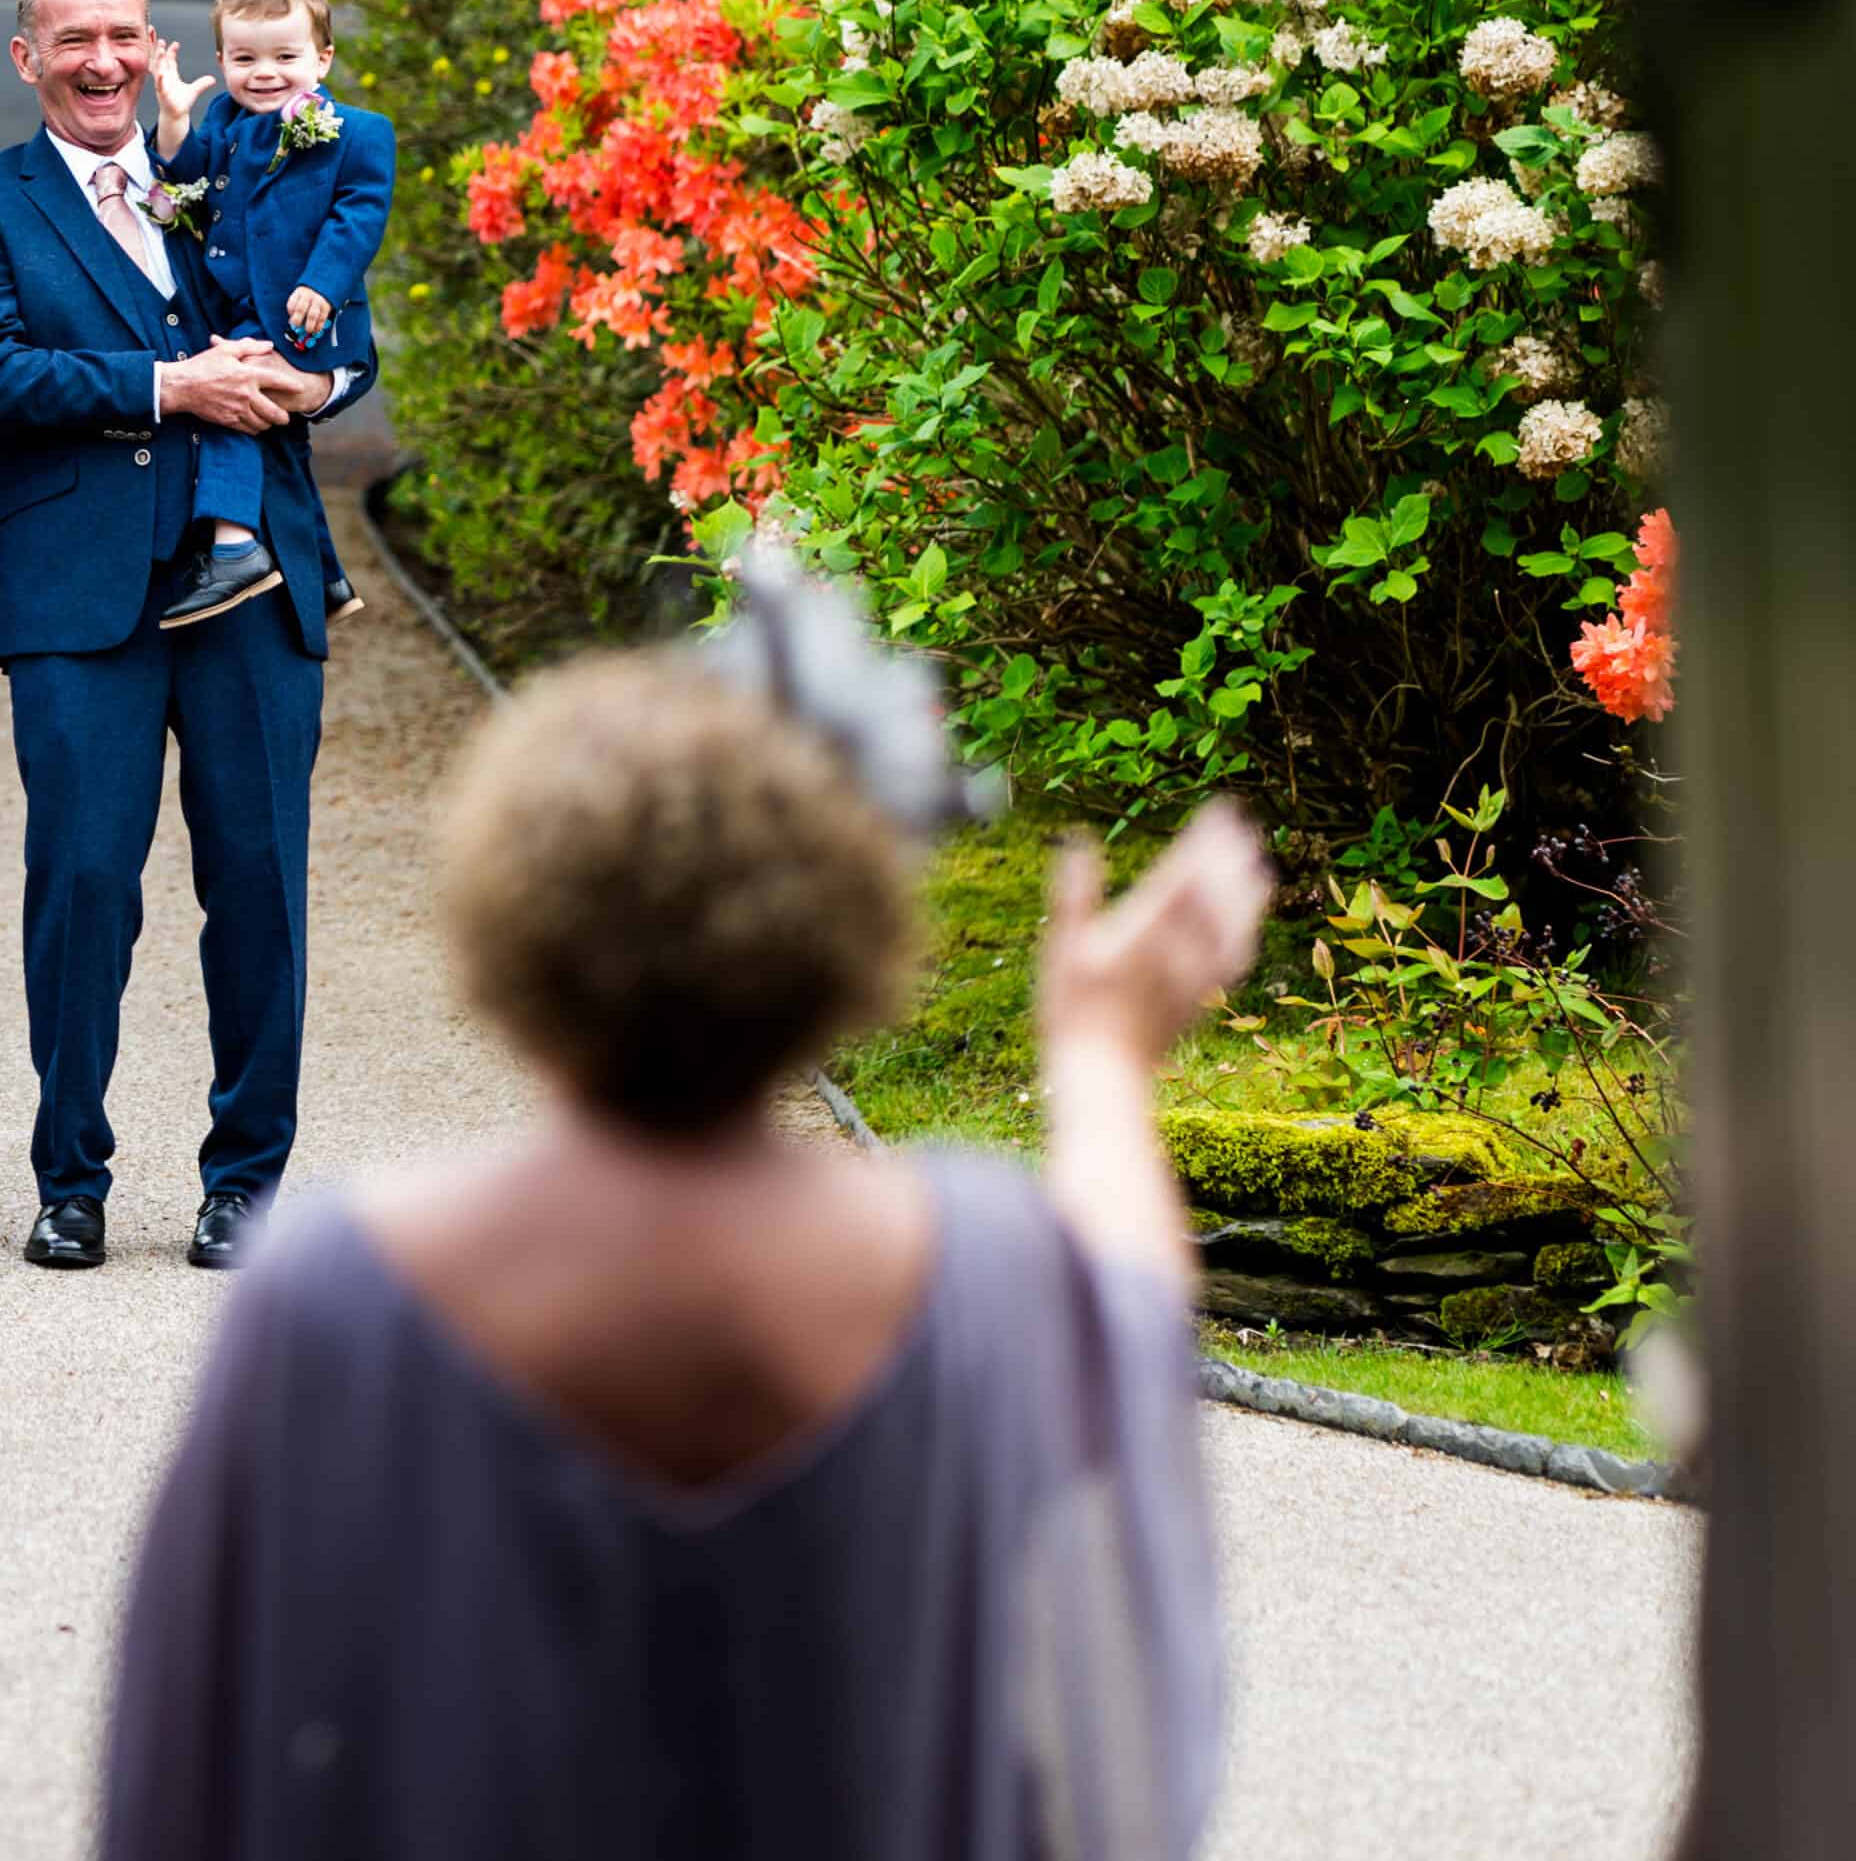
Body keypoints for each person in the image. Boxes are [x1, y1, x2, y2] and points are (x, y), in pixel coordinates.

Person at [95, 597, 1263, 1860]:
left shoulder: (334, 1291)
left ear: (513, 921)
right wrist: (1096, 1052)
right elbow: (1131, 1322)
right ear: (847, 921)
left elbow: (184, 1767)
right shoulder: (985, 1267)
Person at [0, 0, 366, 1272]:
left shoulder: (237, 157)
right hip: (80, 591)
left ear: (153, 41)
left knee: (258, 887)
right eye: (74, 40)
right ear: (30, 58)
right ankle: (72, 1176)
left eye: (123, 33)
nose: (103, 60)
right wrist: (170, 384)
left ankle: (249, 1181)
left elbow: (345, 337)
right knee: (80, 885)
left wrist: (304, 385)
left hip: (252, 581)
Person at [143, 0, 395, 629]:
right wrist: (173, 120)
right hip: (232, 303)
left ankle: (235, 546)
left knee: (229, 405)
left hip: (298, 308)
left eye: (287, 55)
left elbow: (358, 215)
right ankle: (325, 572)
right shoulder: (222, 121)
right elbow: (181, 184)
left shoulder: (357, 131)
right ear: (222, 56)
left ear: (324, 57)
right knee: (281, 442)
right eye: (245, 56)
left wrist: (322, 282)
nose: (265, 72)